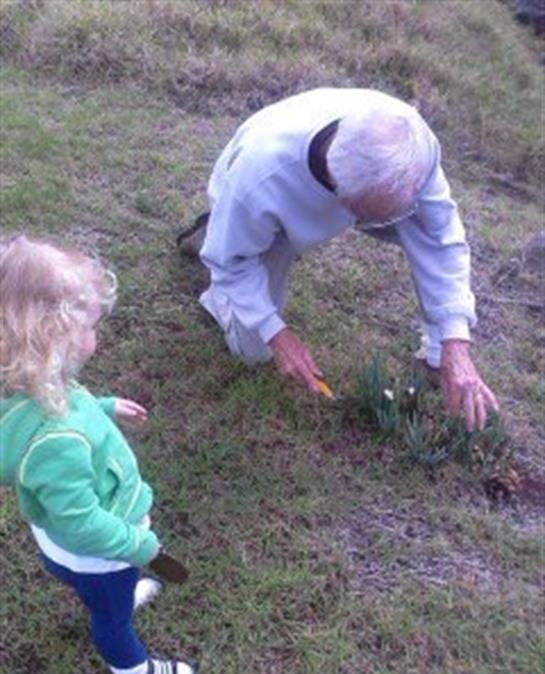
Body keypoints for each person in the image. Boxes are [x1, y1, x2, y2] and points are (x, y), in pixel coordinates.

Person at [179, 87, 498, 431]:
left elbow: (440, 240)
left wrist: (455, 342)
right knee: (252, 349)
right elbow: (232, 265)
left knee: (424, 228)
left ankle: (439, 360)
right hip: (257, 207)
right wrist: (276, 333)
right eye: (370, 212)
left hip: (363, 192)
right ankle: (220, 232)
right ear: (338, 190)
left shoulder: (410, 142)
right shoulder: (259, 181)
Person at [0, 235, 196, 674]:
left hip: (77, 550)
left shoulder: (26, 382)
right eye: (88, 328)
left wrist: (103, 407)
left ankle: (117, 595)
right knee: (110, 618)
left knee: (109, 597)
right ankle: (131, 672)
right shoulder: (57, 442)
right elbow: (80, 524)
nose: (96, 337)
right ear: (52, 338)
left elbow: (61, 406)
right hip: (97, 555)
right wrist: (137, 545)